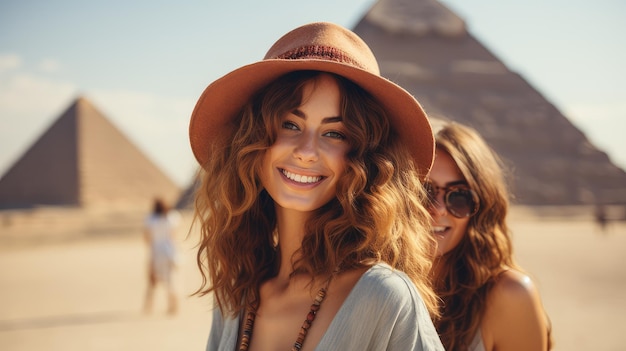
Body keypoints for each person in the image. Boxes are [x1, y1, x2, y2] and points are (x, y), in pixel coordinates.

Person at [189, 22, 444, 350]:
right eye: (290, 125)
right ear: (253, 142)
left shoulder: (384, 298)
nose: (307, 152)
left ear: (363, 159)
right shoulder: (234, 299)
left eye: (334, 133)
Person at [425, 120, 552, 350]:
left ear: (481, 207)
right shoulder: (361, 283)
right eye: (424, 190)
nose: (439, 208)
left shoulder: (509, 296)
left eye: (460, 196)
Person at [143, 197, 181, 315]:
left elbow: (147, 237)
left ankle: (148, 306)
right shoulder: (172, 217)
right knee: (171, 280)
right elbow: (174, 236)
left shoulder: (150, 219)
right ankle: (173, 306)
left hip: (156, 251)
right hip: (170, 251)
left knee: (152, 280)